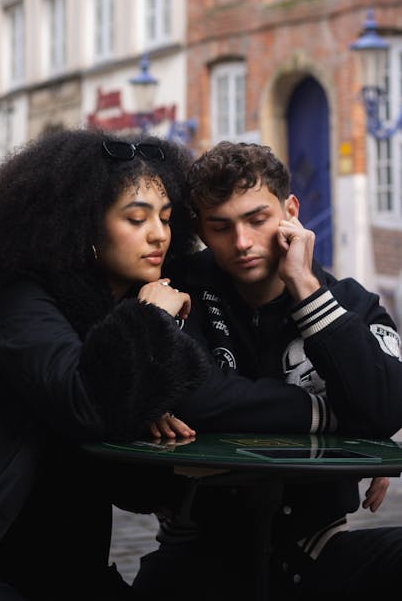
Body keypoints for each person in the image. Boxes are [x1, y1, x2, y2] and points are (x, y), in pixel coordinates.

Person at [0, 128, 215, 601]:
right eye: (136, 218)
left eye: (167, 219)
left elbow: (135, 493)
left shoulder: (115, 312)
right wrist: (148, 317)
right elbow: (83, 402)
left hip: (63, 563)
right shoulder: (24, 299)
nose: (158, 234)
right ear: (85, 227)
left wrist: (143, 410)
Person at [132, 141, 402, 601]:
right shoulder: (175, 291)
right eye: (221, 227)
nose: (241, 242)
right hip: (204, 550)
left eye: (257, 220)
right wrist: (337, 417)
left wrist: (307, 291)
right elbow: (193, 396)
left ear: (290, 210)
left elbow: (386, 405)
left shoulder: (351, 303)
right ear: (201, 228)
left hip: (317, 546)